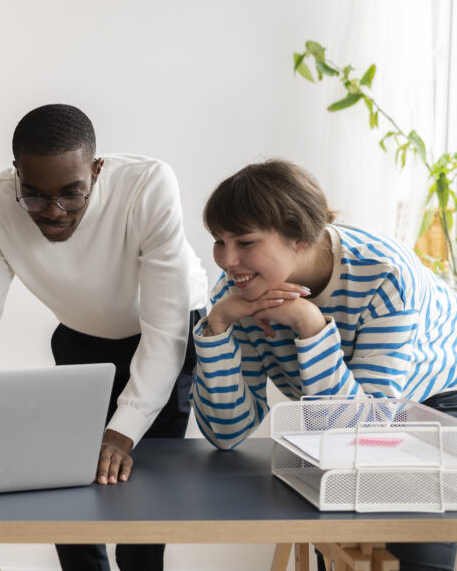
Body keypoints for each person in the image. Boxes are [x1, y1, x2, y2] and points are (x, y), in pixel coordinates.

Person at [0, 104, 207, 571]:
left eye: (72, 194)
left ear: (97, 170)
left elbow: (165, 329)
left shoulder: (148, 187)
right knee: (66, 490)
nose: (53, 212)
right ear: (16, 176)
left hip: (167, 331)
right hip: (80, 334)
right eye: (34, 196)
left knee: (139, 501)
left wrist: (122, 433)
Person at [192, 159, 457, 571]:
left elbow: (364, 435)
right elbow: (226, 432)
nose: (227, 260)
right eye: (219, 241)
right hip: (342, 418)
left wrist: (309, 324)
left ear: (299, 237)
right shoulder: (236, 293)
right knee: (330, 525)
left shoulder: (386, 275)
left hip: (438, 407)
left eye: (244, 242)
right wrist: (217, 327)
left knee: (414, 549)